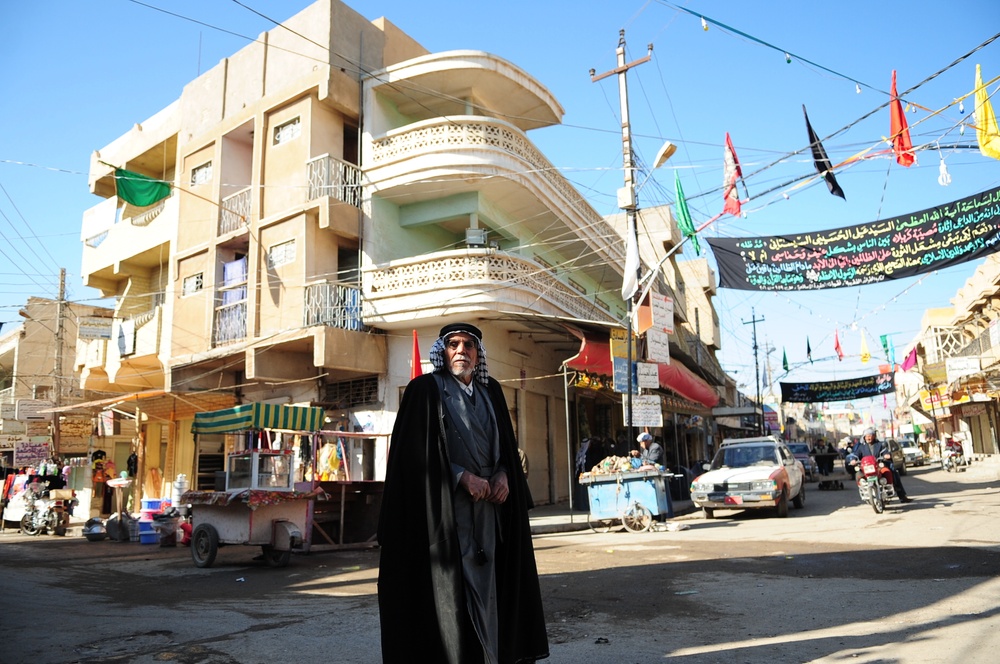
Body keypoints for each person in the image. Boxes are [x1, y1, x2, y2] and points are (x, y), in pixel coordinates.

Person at [377, 322, 548, 664]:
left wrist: (504, 475)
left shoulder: (492, 392)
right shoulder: (424, 390)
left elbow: (507, 450)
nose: (461, 351)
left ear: (478, 354)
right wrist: (458, 477)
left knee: (494, 590)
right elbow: (411, 461)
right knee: (452, 597)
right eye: (453, 344)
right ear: (443, 351)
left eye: (469, 345)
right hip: (445, 520)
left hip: (492, 516)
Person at [852, 427, 911, 502]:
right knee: (858, 475)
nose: (868, 438)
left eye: (870, 436)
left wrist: (886, 455)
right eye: (866, 436)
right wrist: (853, 460)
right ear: (864, 437)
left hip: (878, 467)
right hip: (867, 468)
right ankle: (863, 490)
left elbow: (885, 452)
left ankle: (901, 494)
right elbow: (856, 454)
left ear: (874, 436)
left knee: (890, 472)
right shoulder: (861, 447)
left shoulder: (880, 445)